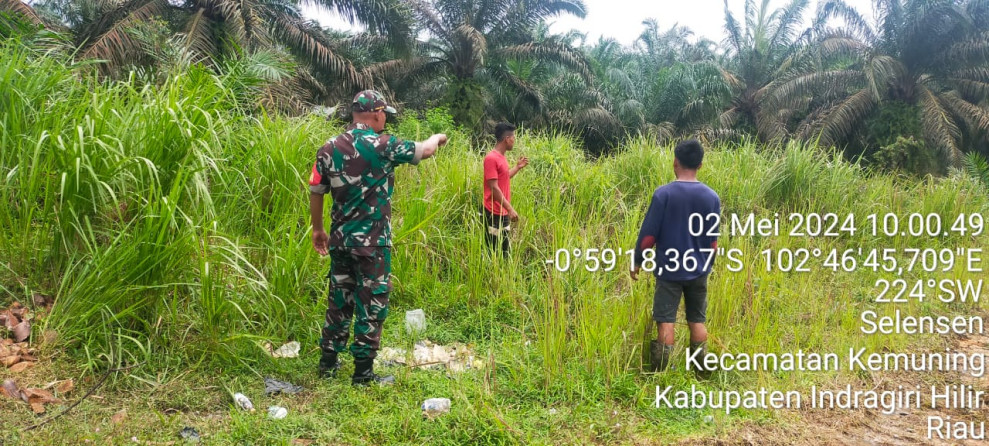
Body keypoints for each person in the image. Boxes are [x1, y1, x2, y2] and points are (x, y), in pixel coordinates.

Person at [309, 90, 448, 385]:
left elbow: (316, 190)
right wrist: (438, 136)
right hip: (372, 242)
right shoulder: (383, 144)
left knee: (340, 298)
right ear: (375, 113)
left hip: (341, 239)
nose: (385, 119)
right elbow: (425, 150)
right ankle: (363, 373)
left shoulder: (328, 147)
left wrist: (317, 228)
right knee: (372, 301)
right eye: (385, 114)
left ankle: (328, 362)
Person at [630, 139, 720, 373]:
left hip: (669, 270)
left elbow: (649, 236)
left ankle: (660, 374)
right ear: (700, 164)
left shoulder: (663, 194)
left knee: (666, 320)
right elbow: (713, 242)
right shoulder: (712, 197)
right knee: (697, 320)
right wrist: (707, 265)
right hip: (699, 269)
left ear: (675, 162)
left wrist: (637, 260)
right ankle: (701, 372)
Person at [482, 122, 528, 254]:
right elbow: (494, 188)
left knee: (504, 249)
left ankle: (502, 272)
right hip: (494, 211)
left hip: (502, 211)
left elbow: (504, 177)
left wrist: (517, 167)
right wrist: (510, 208)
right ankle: (492, 273)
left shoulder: (501, 157)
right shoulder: (491, 158)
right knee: (494, 250)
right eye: (513, 138)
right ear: (507, 139)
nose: (514, 141)